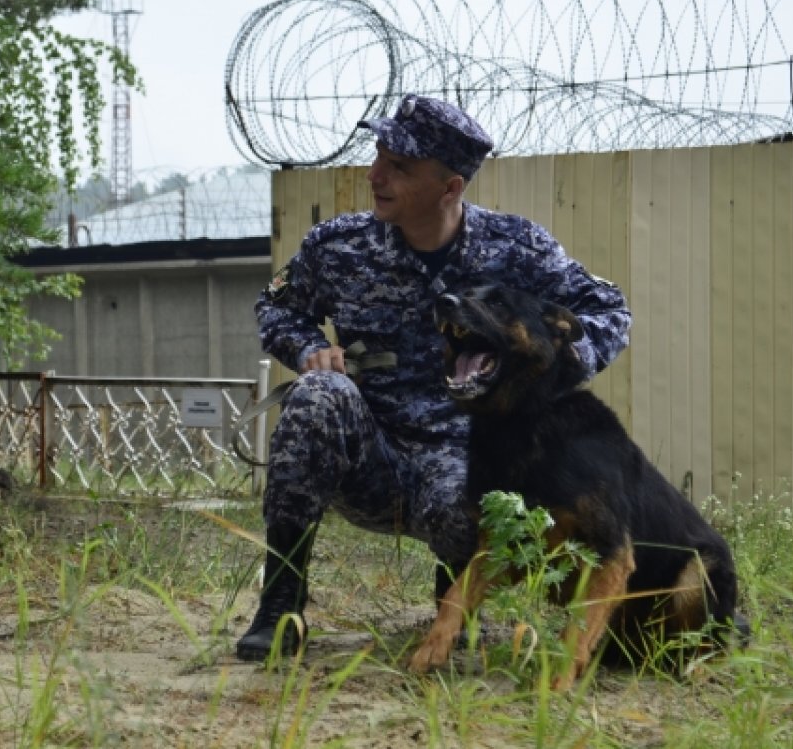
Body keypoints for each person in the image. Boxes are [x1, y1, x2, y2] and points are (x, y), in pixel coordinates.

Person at [236, 93, 632, 660]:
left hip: (463, 459)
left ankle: (453, 605)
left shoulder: (518, 249)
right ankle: (280, 605)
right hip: (372, 453)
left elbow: (608, 310)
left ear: (450, 187)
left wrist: (551, 371)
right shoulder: (338, 245)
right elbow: (277, 306)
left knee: (477, 494)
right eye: (378, 156)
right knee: (320, 395)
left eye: (400, 167)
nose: (376, 175)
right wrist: (308, 349)